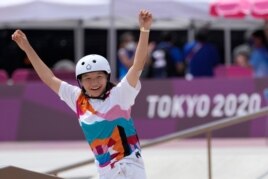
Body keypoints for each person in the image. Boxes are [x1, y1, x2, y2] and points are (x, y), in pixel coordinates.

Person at [12, 9, 152, 179]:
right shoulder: (77, 99)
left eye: (99, 77)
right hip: (105, 172)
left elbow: (137, 66)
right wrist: (27, 48)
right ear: (80, 81)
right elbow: (49, 78)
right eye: (88, 78)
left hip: (131, 170)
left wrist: (144, 31)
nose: (94, 83)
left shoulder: (121, 94)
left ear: (107, 77)